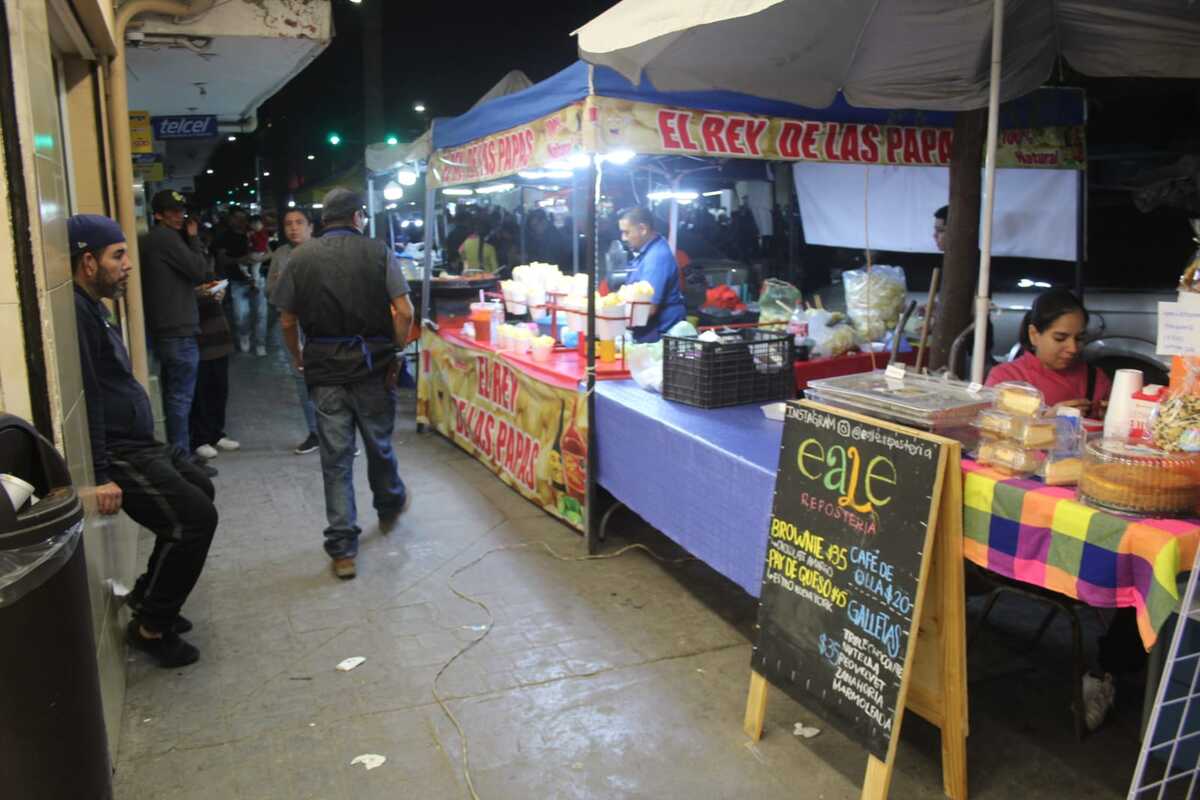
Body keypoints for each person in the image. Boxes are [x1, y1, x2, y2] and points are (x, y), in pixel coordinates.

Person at [71, 214, 217, 668]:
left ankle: (148, 595)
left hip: (139, 441)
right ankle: (151, 626)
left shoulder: (94, 305)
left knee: (200, 487)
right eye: (118, 256)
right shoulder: (77, 312)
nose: (128, 264)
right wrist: (99, 474)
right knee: (194, 519)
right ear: (88, 262)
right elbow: (88, 395)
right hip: (119, 450)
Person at [274, 188, 413, 580]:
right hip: (372, 367)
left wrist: (299, 355)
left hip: (324, 370)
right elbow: (405, 311)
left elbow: (287, 319)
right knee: (378, 444)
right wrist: (396, 347)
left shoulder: (300, 257)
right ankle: (389, 503)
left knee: (335, 458)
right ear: (356, 217)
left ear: (323, 221)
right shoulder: (378, 251)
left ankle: (342, 549)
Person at [138, 190, 215, 474]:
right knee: (180, 397)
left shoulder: (153, 240)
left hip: (166, 327)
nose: (180, 216)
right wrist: (193, 238)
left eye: (181, 211)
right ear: (158, 214)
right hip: (177, 329)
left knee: (175, 395)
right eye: (172, 211)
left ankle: (180, 454)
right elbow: (199, 270)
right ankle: (182, 459)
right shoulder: (166, 238)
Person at [985, 287, 1112, 417]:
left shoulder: (1095, 378)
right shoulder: (1006, 378)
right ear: (1034, 334)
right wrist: (1047, 418)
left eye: (1079, 338)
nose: (1073, 348)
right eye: (1060, 338)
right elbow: (990, 424)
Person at [268, 207, 320, 454]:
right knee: (302, 379)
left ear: (311, 226)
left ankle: (339, 435)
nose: (293, 227)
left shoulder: (322, 250)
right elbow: (270, 291)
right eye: (288, 223)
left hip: (322, 325)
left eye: (299, 222)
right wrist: (281, 284)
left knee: (330, 381)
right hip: (292, 325)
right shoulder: (280, 254)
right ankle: (315, 432)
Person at [618, 206, 688, 343]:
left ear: (642, 229)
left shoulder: (656, 258)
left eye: (626, 232)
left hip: (659, 337)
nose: (623, 238)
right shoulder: (647, 252)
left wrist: (611, 319)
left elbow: (648, 308)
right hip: (648, 334)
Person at [189, 272, 240, 461]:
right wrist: (201, 292)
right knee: (201, 391)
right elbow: (182, 297)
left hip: (217, 333)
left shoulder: (204, 263)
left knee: (219, 388)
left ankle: (216, 433)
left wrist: (218, 292)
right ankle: (200, 439)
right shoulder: (187, 265)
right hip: (198, 335)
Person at [216, 207, 268, 356]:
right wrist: (240, 260)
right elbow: (221, 259)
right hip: (237, 281)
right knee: (240, 315)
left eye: (243, 218)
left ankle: (260, 343)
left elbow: (269, 252)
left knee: (261, 314)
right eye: (237, 217)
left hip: (258, 280)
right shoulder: (224, 236)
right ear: (230, 219)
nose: (241, 221)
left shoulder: (254, 232)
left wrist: (258, 258)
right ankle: (244, 336)